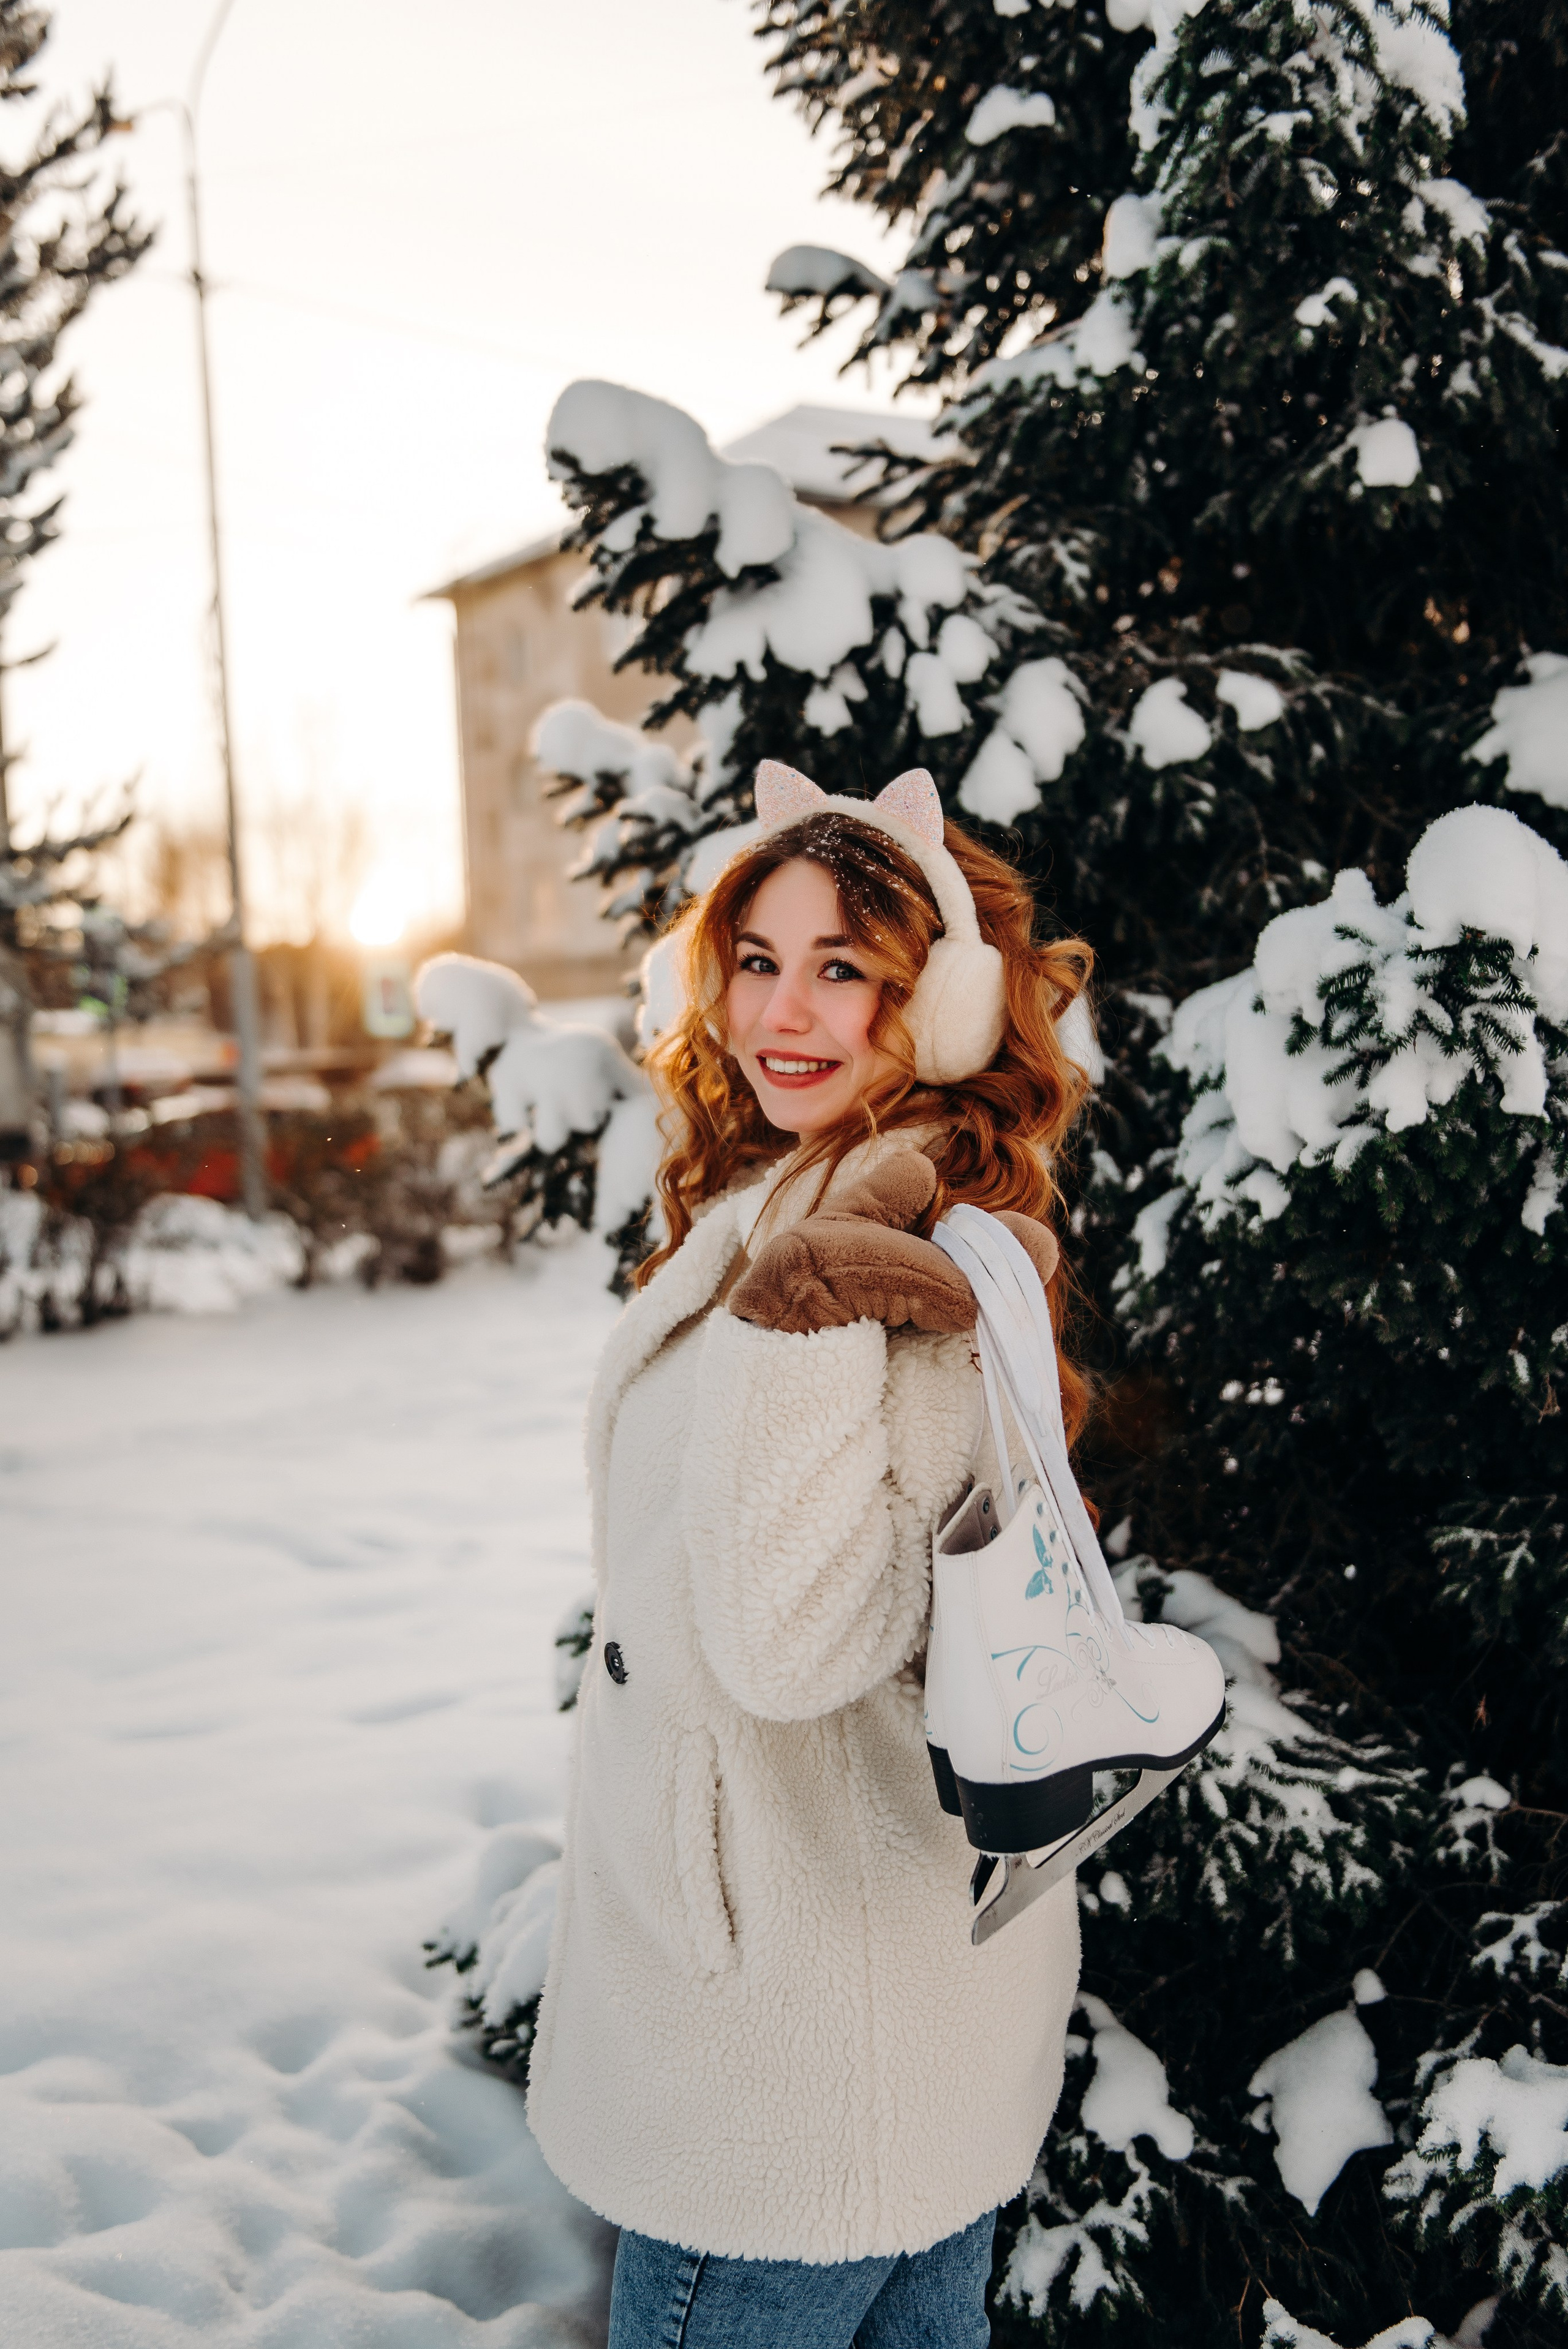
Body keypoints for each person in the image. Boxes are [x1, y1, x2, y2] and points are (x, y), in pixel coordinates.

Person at [527, 761, 1096, 2348]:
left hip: (794, 2054)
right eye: (759, 957)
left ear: (951, 998)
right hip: (854, 2004)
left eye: (845, 965)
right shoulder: (811, 1187)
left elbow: (797, 1641)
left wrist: (802, 1321)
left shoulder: (891, 1235)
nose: (786, 1007)